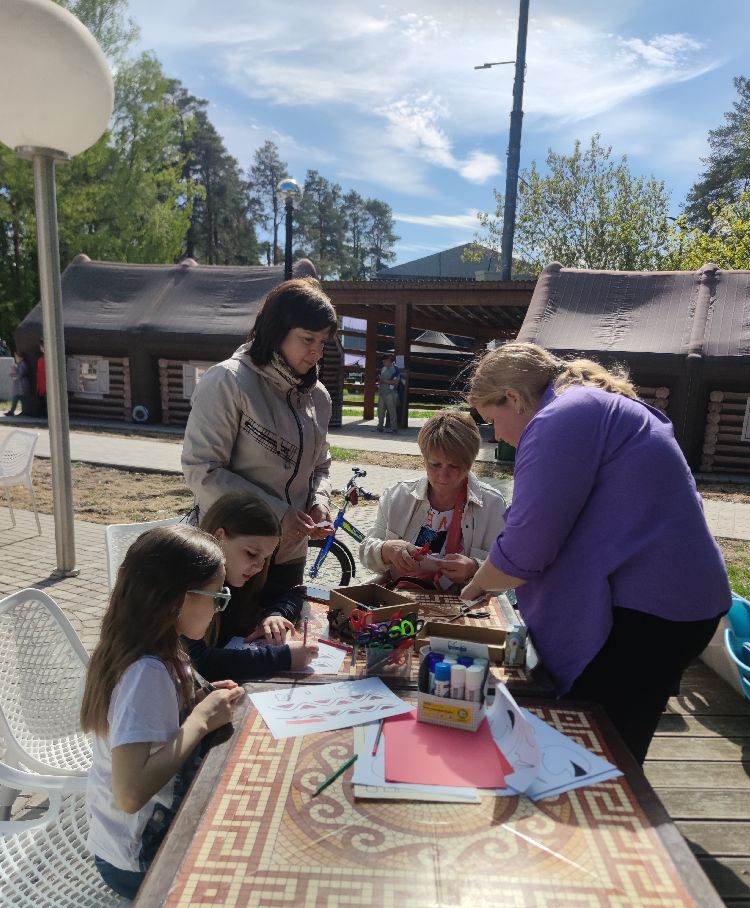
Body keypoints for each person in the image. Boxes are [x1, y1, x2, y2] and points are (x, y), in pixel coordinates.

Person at [461, 342, 731, 765]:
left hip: (647, 614)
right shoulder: (589, 404)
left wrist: (475, 586)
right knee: (613, 741)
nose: (497, 434)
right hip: (674, 603)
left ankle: (605, 826)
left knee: (597, 754)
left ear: (512, 397)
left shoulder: (558, 419)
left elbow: (527, 546)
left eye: (493, 419)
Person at [80, 524, 249, 908]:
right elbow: (131, 792)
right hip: (135, 857)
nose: (222, 608)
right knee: (238, 892)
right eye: (217, 595)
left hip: (134, 840)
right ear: (178, 599)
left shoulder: (158, 649)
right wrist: (199, 721)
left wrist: (205, 697)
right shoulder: (147, 671)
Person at [182, 277, 337, 590]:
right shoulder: (228, 381)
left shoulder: (318, 397)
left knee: (283, 631)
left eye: (322, 342)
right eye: (307, 339)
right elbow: (203, 470)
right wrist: (279, 513)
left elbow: (320, 466)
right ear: (277, 331)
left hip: (290, 552)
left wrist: (318, 503)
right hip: (235, 550)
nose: (316, 352)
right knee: (226, 638)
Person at [359, 409, 507, 592]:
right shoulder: (398, 495)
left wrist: (474, 568)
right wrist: (387, 550)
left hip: (462, 607)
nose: (442, 476)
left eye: (454, 466)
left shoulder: (492, 504)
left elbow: (505, 572)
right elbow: (366, 552)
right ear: (424, 459)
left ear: (470, 463)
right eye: (435, 465)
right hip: (399, 599)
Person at [186, 492, 319, 680]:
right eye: (251, 553)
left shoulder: (240, 578)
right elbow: (199, 661)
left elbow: (295, 592)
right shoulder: (189, 586)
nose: (258, 566)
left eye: (265, 558)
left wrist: (275, 615)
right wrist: (284, 657)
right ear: (219, 536)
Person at [376, 357, 400, 433]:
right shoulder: (383, 368)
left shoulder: (396, 369)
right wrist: (379, 380)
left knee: (392, 411)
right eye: (383, 360)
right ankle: (380, 427)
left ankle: (394, 428)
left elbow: (396, 382)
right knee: (380, 411)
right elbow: (380, 379)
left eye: (386, 360)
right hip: (382, 392)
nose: (384, 361)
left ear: (391, 361)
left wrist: (384, 381)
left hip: (391, 393)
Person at [5, 352, 29, 416]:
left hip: (22, 385)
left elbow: (21, 373)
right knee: (16, 398)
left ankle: (22, 412)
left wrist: (15, 375)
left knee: (21, 399)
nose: (16, 358)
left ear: (21, 358)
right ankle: (13, 411)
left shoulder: (23, 364)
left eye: (17, 357)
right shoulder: (19, 364)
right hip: (18, 386)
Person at [35, 340, 47, 417]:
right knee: (42, 399)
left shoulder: (48, 359)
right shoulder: (40, 359)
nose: (41, 348)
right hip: (41, 382)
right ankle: (42, 414)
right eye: (41, 347)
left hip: (46, 382)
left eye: (42, 346)